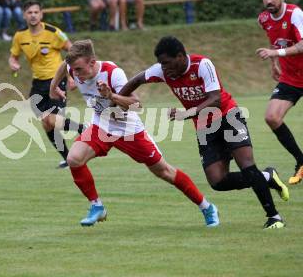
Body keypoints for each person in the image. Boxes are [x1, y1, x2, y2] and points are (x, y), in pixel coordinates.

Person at [119, 36, 288, 229]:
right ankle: (267, 177)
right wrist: (115, 99)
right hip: (205, 126)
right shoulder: (163, 71)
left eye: (166, 63)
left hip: (228, 116)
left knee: (247, 166)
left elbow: (215, 99)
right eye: (161, 64)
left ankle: (274, 217)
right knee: (218, 181)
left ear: (181, 56)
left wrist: (186, 113)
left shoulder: (202, 65)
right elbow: (136, 80)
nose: (163, 68)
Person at [49, 39, 219, 227]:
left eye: (79, 69)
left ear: (92, 62)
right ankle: (97, 206)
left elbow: (137, 105)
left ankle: (206, 206)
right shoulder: (74, 67)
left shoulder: (113, 73)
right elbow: (64, 66)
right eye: (74, 70)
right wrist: (53, 87)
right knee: (74, 159)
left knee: (164, 172)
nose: (77, 75)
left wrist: (111, 96)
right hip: (102, 126)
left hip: (129, 130)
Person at [9, 0, 85, 169]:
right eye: (29, 12)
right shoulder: (20, 36)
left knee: (52, 119)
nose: (33, 15)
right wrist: (13, 63)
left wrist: (73, 76)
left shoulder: (53, 32)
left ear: (41, 14)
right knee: (47, 123)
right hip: (37, 83)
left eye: (36, 12)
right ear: (24, 15)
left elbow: (72, 51)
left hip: (56, 80)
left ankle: (83, 129)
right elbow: (13, 56)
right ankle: (68, 158)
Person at [256, 0, 303, 185]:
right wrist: (274, 62)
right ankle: (301, 161)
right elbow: (273, 41)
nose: (269, 0)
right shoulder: (264, 19)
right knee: (272, 117)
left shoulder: (295, 14)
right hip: (291, 77)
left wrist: (276, 52)